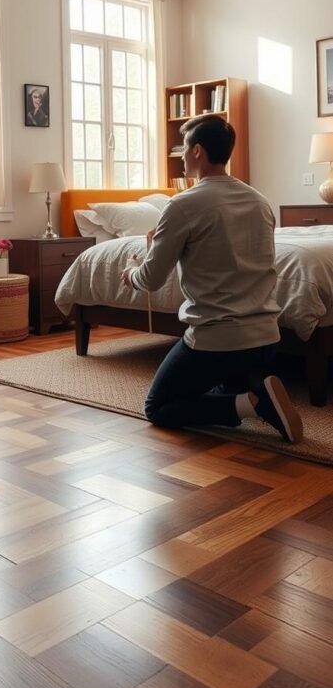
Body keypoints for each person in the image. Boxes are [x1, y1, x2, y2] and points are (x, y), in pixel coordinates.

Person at [122, 114, 303, 443]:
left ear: (197, 151)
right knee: (216, 388)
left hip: (217, 341)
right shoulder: (259, 201)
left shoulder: (183, 205)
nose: (180, 156)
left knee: (158, 407)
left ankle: (254, 403)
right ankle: (251, 392)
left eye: (184, 148)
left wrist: (131, 274)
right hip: (266, 337)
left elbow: (151, 279)